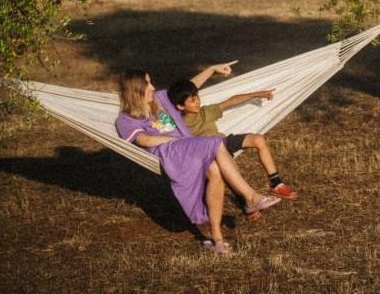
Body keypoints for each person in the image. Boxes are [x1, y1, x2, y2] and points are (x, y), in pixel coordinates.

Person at [115, 68, 280, 255]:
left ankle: (217, 238)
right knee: (216, 142)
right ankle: (250, 197)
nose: (152, 87)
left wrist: (211, 70)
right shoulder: (125, 119)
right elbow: (144, 140)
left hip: (189, 148)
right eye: (147, 84)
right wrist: (175, 141)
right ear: (135, 89)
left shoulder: (160, 98)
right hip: (169, 154)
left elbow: (188, 88)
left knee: (215, 171)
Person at [166, 77, 297, 200]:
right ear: (180, 106)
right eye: (192, 101)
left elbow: (230, 102)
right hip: (209, 153)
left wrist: (257, 94)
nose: (198, 102)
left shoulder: (205, 112)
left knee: (258, 139)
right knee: (232, 168)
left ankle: (276, 184)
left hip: (223, 142)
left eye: (197, 97)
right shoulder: (177, 125)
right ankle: (246, 202)